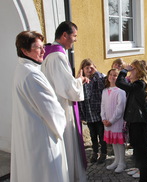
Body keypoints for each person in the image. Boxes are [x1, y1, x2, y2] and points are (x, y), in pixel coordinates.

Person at [11, 31, 69, 182]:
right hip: (43, 139)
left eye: (43, 47)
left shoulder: (21, 69)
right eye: (38, 48)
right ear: (24, 51)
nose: (44, 51)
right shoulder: (32, 75)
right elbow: (52, 112)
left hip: (31, 134)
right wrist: (63, 119)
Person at [41, 21, 88, 182]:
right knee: (67, 144)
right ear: (64, 35)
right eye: (74, 36)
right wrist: (80, 80)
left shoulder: (49, 53)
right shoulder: (57, 56)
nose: (75, 39)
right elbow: (68, 89)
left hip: (56, 104)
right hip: (62, 107)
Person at [116, 60, 147, 182]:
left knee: (142, 154)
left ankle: (143, 179)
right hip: (137, 123)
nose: (129, 70)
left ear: (138, 71)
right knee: (140, 153)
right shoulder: (139, 84)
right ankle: (142, 176)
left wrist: (123, 71)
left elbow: (119, 82)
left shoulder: (140, 84)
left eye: (132, 69)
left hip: (139, 125)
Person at [78, 58, 107, 163]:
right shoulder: (82, 81)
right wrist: (82, 115)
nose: (89, 70)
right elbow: (79, 99)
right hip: (88, 114)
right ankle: (95, 152)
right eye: (87, 68)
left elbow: (102, 86)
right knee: (93, 135)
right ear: (83, 70)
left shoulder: (97, 79)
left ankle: (103, 153)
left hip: (98, 113)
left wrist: (96, 73)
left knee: (101, 134)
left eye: (91, 67)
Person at [101, 69, 127, 173]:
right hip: (107, 121)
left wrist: (112, 120)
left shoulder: (120, 91)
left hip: (117, 122)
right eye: (111, 75)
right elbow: (102, 105)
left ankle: (122, 162)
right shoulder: (105, 91)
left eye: (115, 75)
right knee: (113, 142)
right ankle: (116, 160)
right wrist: (103, 118)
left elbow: (120, 108)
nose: (112, 77)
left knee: (119, 143)